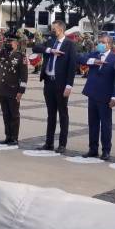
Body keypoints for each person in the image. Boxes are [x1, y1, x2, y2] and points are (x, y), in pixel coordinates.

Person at [32, 20, 77, 154]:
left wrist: (69, 85)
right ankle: (49, 143)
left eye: (54, 29)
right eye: (52, 29)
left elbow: (72, 66)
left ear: (61, 29)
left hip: (61, 84)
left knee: (63, 114)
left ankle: (62, 144)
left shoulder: (70, 44)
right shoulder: (51, 41)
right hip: (48, 82)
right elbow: (36, 48)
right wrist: (50, 50)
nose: (52, 31)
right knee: (50, 114)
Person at [77, 34, 115, 160]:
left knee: (105, 124)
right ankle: (93, 149)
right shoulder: (94, 54)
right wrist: (93, 61)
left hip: (105, 97)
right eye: (99, 42)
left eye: (102, 42)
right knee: (92, 124)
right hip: (92, 94)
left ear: (109, 44)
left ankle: (106, 150)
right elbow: (79, 58)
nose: (99, 44)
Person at [0, 30, 28, 145]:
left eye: (10, 41)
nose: (8, 43)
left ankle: (14, 138)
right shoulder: (3, 52)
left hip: (13, 90)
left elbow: (24, 76)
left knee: (14, 115)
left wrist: (21, 91)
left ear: (16, 43)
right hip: (2, 89)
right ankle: (8, 136)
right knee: (6, 114)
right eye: (7, 41)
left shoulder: (21, 56)